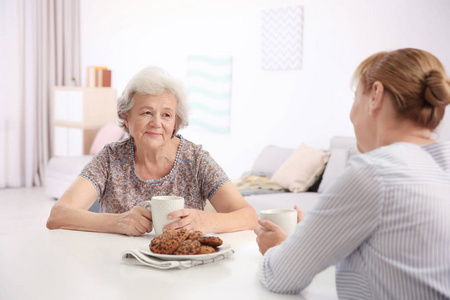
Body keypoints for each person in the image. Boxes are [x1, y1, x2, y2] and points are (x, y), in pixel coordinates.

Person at [254, 48, 450, 299]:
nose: (351, 114)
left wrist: (279, 248)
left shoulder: (374, 172)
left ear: (375, 95)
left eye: (356, 97)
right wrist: (310, 241)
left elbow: (280, 276)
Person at [47, 66, 258, 236]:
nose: (156, 123)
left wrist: (206, 221)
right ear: (127, 118)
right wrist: (118, 222)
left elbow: (248, 215)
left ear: (176, 122)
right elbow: (58, 215)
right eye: (147, 112)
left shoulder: (196, 160)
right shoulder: (110, 158)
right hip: (117, 269)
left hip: (184, 271)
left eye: (166, 115)